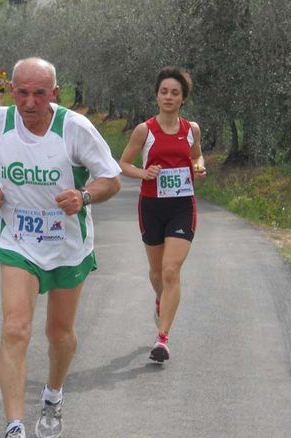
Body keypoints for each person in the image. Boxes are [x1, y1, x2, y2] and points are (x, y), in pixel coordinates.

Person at [0, 57, 121, 438]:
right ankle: (14, 430)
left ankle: (53, 395)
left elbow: (111, 178)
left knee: (59, 334)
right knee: (15, 327)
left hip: (66, 245)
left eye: (40, 93)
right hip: (17, 239)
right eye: (22, 91)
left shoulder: (74, 129)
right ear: (11, 89)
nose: (30, 101)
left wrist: (84, 196)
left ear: (55, 94)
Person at [119, 66, 206, 364]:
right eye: (164, 91)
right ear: (157, 96)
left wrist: (199, 166)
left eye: (175, 93)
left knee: (171, 270)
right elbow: (123, 164)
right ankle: (161, 300)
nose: (169, 96)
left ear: (183, 99)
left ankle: (163, 339)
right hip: (152, 206)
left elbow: (197, 156)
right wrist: (145, 172)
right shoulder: (145, 130)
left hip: (183, 206)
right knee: (157, 273)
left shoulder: (191, 129)